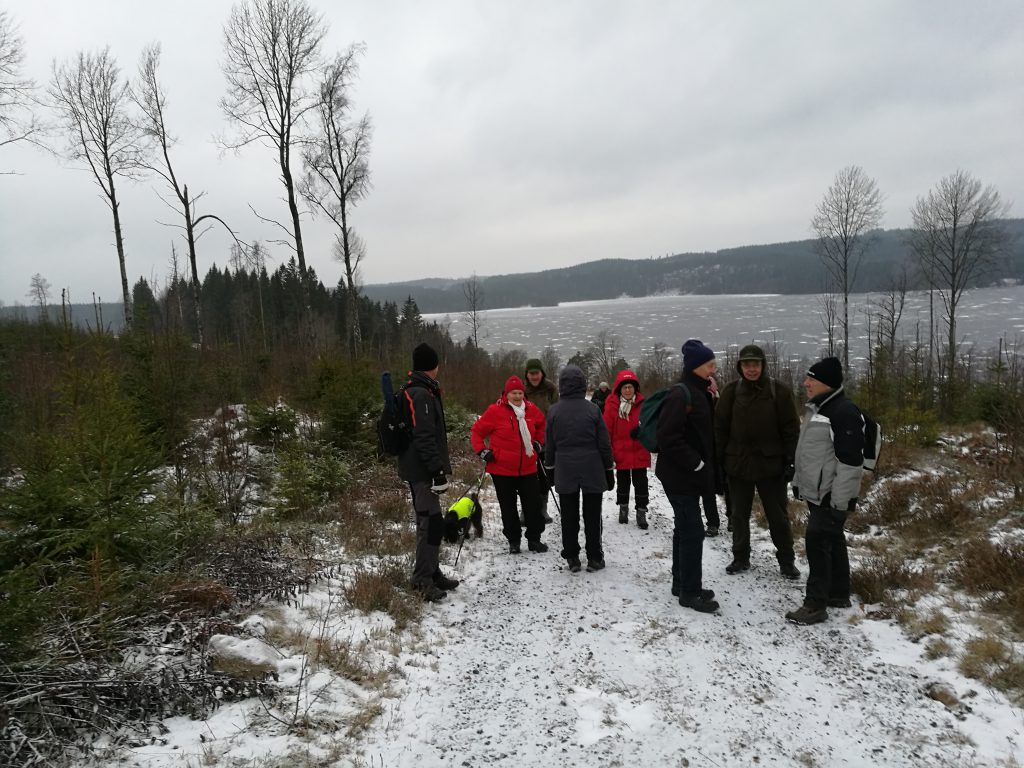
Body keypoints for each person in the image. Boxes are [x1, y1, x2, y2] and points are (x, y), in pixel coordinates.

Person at [786, 357, 865, 625]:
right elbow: (807, 452)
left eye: (811, 379)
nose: (805, 382)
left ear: (827, 383)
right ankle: (838, 593)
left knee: (818, 543)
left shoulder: (843, 412)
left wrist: (840, 502)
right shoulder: (818, 409)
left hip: (831, 493)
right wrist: (798, 481)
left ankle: (815, 605)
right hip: (819, 491)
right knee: (833, 539)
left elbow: (851, 462)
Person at [715, 344, 801, 579]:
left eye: (756, 364)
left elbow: (791, 430)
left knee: (777, 516)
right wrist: (719, 463)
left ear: (763, 365)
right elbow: (720, 429)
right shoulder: (731, 392)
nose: (751, 369)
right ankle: (740, 557)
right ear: (739, 367)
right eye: (746, 364)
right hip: (738, 465)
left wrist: (791, 461)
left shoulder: (779, 391)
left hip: (771, 466)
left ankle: (786, 561)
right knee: (739, 515)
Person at [655, 339, 720, 613]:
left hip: (687, 476)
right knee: (692, 530)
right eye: (709, 365)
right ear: (695, 367)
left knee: (684, 529)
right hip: (680, 476)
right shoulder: (681, 394)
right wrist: (697, 464)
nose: (714, 370)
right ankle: (689, 592)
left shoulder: (698, 391)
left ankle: (681, 582)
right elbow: (667, 437)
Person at [397, 343, 460, 603]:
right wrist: (436, 471)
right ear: (433, 366)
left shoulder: (422, 390)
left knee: (432, 522)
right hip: (422, 471)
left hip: (421, 469)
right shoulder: (420, 394)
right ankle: (422, 580)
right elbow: (424, 437)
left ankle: (432, 573)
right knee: (428, 523)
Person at [544, 365, 614, 573]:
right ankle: (594, 557)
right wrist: (608, 469)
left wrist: (550, 470)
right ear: (583, 385)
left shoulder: (554, 411)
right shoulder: (593, 409)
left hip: (565, 468)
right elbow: (604, 443)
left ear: (562, 385)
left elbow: (550, 445)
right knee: (593, 515)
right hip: (592, 467)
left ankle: (572, 557)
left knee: (569, 516)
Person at [470, 375, 549, 555]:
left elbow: (542, 425)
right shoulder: (495, 411)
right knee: (508, 507)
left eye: (520, 392)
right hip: (501, 469)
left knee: (533, 505)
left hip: (528, 467)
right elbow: (476, 432)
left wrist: (538, 442)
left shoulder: (531, 409)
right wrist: (483, 451)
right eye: (513, 393)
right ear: (506, 393)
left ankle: (534, 540)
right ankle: (514, 541)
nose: (517, 396)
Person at [602, 369, 651, 529]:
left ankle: (641, 511)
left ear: (635, 388)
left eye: (630, 387)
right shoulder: (612, 406)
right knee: (623, 483)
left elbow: (652, 426)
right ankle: (623, 508)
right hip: (620, 450)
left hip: (639, 451)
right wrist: (607, 450)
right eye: (625, 388)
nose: (628, 390)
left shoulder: (643, 405)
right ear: (619, 389)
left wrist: (643, 431)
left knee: (641, 482)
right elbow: (606, 430)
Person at [524, 358, 559, 524]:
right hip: (525, 439)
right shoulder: (521, 390)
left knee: (545, 477)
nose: (534, 376)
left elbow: (558, 411)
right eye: (531, 373)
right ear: (527, 375)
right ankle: (526, 509)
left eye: (536, 373)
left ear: (541, 373)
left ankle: (543, 509)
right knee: (526, 477)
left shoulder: (551, 388)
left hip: (547, 439)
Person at [700, 374, 723, 536]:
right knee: (705, 490)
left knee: (722, 488)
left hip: (718, 452)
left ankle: (724, 521)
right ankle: (711, 523)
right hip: (702, 451)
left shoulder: (720, 406)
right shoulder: (695, 404)